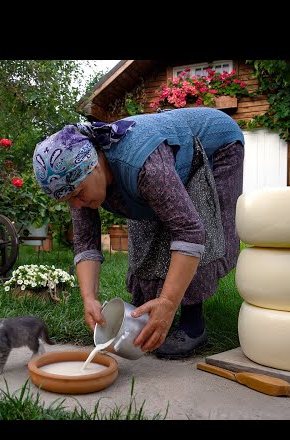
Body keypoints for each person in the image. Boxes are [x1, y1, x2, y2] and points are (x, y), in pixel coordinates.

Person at [32, 107, 244, 359]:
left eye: (78, 195)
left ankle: (192, 326)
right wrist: (89, 298)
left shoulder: (144, 166)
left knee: (196, 215)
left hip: (215, 145)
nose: (77, 205)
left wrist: (167, 303)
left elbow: (189, 232)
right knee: (146, 233)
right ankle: (150, 316)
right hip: (158, 161)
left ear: (96, 167)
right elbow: (85, 240)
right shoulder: (75, 181)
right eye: (68, 201)